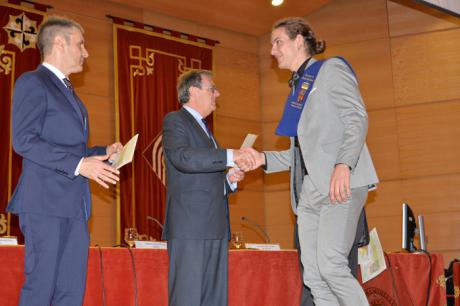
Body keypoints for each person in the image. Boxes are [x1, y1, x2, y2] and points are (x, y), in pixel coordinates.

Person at [244, 17, 378, 305]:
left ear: (299, 41)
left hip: (339, 181)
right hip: (309, 193)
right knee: (314, 276)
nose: (272, 50)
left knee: (331, 266)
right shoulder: (297, 90)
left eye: (277, 42)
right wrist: (261, 159)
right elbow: (299, 156)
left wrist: (344, 164)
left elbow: (357, 117)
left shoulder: (330, 70)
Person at [6, 16, 122, 306]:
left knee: (70, 292)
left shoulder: (71, 93)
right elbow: (24, 140)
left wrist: (102, 152)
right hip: (45, 203)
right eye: (81, 44)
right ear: (59, 43)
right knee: (41, 289)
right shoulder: (33, 82)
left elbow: (71, 148)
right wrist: (82, 165)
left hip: (74, 205)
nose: (86, 52)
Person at [162, 70, 252, 306]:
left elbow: (203, 179)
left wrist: (229, 180)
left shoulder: (205, 129)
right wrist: (230, 155)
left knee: (215, 300)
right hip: (190, 228)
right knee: (188, 298)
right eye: (212, 89)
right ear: (193, 92)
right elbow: (184, 158)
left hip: (216, 227)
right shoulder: (175, 120)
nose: (217, 93)